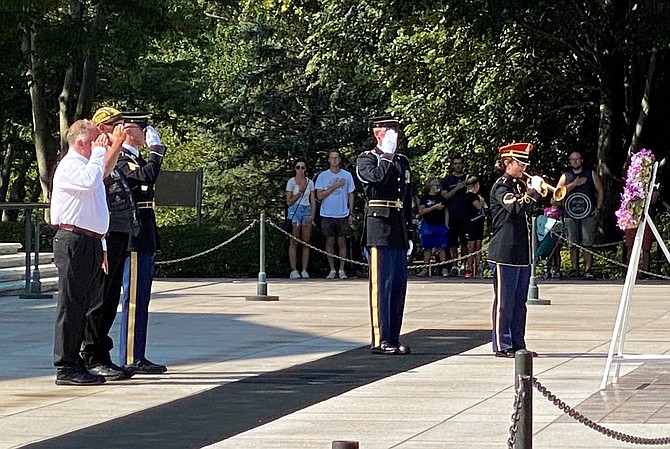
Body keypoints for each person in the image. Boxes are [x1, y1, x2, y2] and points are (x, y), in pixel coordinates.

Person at [50, 119, 123, 385]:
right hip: (73, 241)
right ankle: (65, 366)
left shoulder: (86, 165)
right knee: (71, 306)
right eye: (96, 139)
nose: (100, 143)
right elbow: (91, 182)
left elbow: (95, 209)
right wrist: (101, 151)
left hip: (90, 241)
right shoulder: (71, 166)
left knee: (86, 305)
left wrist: (101, 244)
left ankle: (78, 360)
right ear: (82, 143)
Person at [79, 107, 139, 381]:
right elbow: (102, 173)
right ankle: (91, 354)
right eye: (115, 124)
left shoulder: (113, 152)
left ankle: (102, 351)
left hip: (120, 232)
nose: (122, 128)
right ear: (102, 128)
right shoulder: (93, 155)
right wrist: (114, 143)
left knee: (111, 296)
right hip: (105, 235)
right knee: (99, 298)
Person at [116, 112, 168, 375]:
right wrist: (156, 151)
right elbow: (147, 177)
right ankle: (129, 356)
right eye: (141, 127)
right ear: (127, 130)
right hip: (134, 237)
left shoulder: (134, 158)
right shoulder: (122, 159)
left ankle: (138, 353)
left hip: (144, 233)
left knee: (142, 298)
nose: (146, 133)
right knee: (134, 299)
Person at [356, 116, 413, 355]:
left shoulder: (402, 161)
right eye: (388, 130)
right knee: (382, 286)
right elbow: (376, 179)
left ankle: (393, 337)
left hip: (397, 226)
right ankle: (380, 339)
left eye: (395, 130)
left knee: (398, 286)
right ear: (376, 132)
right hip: (378, 227)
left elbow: (407, 197)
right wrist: (386, 155)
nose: (393, 134)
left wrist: (409, 230)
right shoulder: (367, 159)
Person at [488, 142, 542, 358]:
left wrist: (532, 191)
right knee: (504, 302)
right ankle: (503, 344)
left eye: (524, 164)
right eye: (520, 163)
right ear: (507, 163)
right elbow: (515, 208)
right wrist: (533, 192)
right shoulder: (501, 187)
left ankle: (518, 343)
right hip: (504, 251)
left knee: (520, 303)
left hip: (520, 252)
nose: (523, 168)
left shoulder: (519, 185)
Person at [556, 151, 603, 279]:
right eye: (572, 159)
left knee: (587, 242)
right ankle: (574, 268)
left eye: (577, 159)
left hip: (588, 214)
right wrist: (574, 184)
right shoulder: (565, 176)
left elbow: (600, 190)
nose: (575, 161)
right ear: (570, 161)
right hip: (570, 214)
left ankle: (588, 269)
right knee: (573, 242)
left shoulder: (590, 173)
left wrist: (598, 208)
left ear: (582, 160)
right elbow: (558, 193)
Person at [315, 150, 355, 279]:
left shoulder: (347, 175)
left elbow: (351, 194)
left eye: (336, 158)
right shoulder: (322, 176)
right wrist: (335, 186)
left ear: (340, 159)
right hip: (327, 213)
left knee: (342, 241)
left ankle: (342, 269)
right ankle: (332, 269)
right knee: (329, 242)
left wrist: (351, 212)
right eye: (332, 158)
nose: (334, 160)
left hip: (342, 213)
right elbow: (319, 195)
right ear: (328, 160)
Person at [286, 159, 316, 279]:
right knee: (294, 241)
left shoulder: (310, 182)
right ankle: (294, 269)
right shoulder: (291, 182)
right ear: (295, 169)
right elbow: (289, 202)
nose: (300, 170)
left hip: (306, 210)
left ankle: (304, 269)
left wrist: (312, 215)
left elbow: (312, 200)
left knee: (305, 242)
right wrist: (299, 192)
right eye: (298, 167)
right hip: (295, 210)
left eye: (303, 168)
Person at [441, 155, 468, 276]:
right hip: (452, 215)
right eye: (455, 163)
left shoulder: (467, 178)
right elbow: (445, 196)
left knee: (464, 242)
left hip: (466, 215)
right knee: (452, 243)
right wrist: (457, 188)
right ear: (452, 165)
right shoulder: (447, 180)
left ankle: (464, 265)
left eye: (459, 163)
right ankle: (454, 265)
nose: (458, 165)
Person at [417, 178, 449, 277]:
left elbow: (446, 211)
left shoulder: (441, 198)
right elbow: (421, 211)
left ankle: (443, 268)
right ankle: (426, 268)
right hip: (428, 225)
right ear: (430, 186)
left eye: (438, 185)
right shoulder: (425, 198)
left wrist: (446, 224)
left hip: (440, 225)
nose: (437, 187)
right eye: (435, 185)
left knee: (441, 247)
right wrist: (434, 207)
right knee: (427, 248)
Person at [463, 176, 485, 279]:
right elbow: (479, 206)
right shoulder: (472, 196)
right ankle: (470, 269)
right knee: (472, 247)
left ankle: (477, 269)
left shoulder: (467, 196)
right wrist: (481, 199)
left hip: (477, 224)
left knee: (477, 247)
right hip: (471, 224)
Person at [543, 197, 565, 278]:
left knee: (556, 252)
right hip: (548, 233)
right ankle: (547, 269)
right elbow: (544, 220)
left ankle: (557, 269)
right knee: (548, 252)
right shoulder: (546, 210)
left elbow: (561, 222)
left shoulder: (560, 212)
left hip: (556, 233)